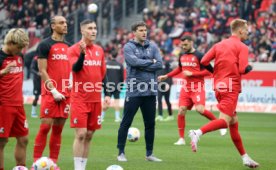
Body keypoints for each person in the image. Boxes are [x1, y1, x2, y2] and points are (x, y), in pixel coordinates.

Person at [188, 19, 259, 168]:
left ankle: (245, 158)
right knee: (225, 122)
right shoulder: (242, 47)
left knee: (233, 123)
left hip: (219, 87)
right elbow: (242, 69)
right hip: (231, 87)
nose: (247, 33)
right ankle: (197, 132)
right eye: (246, 30)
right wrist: (249, 67)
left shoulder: (219, 44)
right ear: (240, 31)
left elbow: (204, 60)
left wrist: (216, 73)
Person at [158, 35, 227, 146]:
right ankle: (181, 139)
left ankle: (220, 125)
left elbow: (210, 72)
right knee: (181, 110)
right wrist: (167, 76)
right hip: (186, 88)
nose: (184, 47)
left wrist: (193, 73)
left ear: (191, 42)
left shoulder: (200, 56)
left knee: (200, 110)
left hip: (197, 87)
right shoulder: (182, 55)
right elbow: (180, 69)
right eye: (182, 45)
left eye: (185, 44)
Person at [117, 21, 163, 162]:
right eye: (141, 30)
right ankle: (121, 153)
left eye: (145, 30)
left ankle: (149, 154)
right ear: (134, 32)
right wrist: (151, 62)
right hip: (134, 90)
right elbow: (134, 63)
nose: (144, 33)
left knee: (150, 124)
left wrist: (144, 63)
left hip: (150, 91)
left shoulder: (153, 46)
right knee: (126, 122)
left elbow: (160, 64)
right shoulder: (128, 47)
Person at [67, 19, 110, 170]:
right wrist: (83, 54)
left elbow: (103, 73)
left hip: (95, 99)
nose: (94, 31)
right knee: (81, 134)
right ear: (82, 31)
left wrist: (108, 94)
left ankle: (82, 167)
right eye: (90, 28)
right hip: (79, 99)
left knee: (90, 135)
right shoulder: (73, 49)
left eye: (95, 28)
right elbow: (76, 68)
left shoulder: (99, 50)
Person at [32, 16, 71, 169]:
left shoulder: (70, 46)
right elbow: (42, 71)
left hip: (66, 93)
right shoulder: (44, 44)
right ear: (53, 26)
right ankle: (36, 162)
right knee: (45, 126)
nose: (65, 25)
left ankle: (53, 163)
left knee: (58, 129)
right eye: (62, 23)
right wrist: (53, 90)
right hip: (50, 92)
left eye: (66, 23)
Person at [0, 28, 29, 169]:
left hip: (19, 105)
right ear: (10, 43)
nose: (20, 50)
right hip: (3, 105)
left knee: (24, 139)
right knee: (1, 141)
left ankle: (21, 168)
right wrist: (2, 72)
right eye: (19, 47)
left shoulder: (20, 56)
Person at [101, 49, 124, 122]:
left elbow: (103, 74)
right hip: (117, 86)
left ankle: (101, 117)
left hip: (108, 86)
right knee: (117, 102)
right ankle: (117, 118)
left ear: (110, 55)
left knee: (106, 102)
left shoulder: (106, 64)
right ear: (117, 56)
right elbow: (122, 77)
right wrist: (121, 85)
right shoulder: (120, 65)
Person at [155, 49, 173, 122]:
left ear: (163, 53)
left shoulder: (167, 62)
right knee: (159, 99)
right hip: (159, 84)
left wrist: (168, 84)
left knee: (167, 100)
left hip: (165, 84)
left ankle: (170, 115)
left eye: (159, 52)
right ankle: (160, 115)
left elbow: (170, 74)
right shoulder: (156, 62)